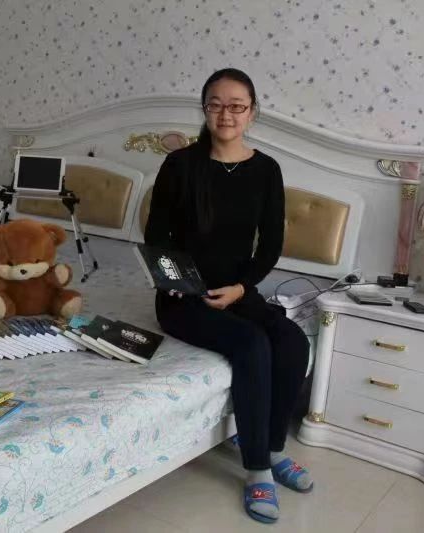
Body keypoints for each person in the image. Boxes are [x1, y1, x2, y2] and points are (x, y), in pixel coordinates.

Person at [144, 68, 312, 524]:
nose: (226, 114)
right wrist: (177, 282)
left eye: (237, 106)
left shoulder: (266, 170)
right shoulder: (181, 165)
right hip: (183, 297)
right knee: (252, 344)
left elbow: (271, 244)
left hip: (239, 290)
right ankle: (258, 468)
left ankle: (272, 447)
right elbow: (157, 237)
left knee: (293, 341)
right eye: (216, 104)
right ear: (205, 109)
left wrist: (241, 287)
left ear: (252, 112)